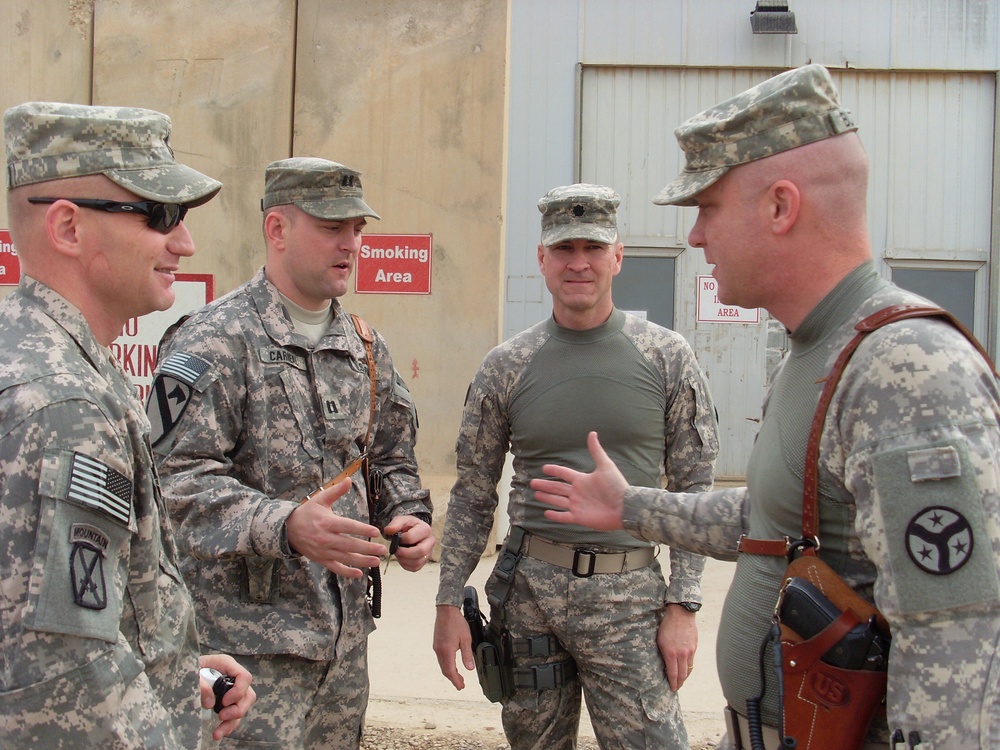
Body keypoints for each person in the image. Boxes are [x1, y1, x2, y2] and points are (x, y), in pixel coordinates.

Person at [530, 64, 1000, 750]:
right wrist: (633, 507)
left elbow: (959, 658)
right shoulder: (817, 352)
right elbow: (775, 518)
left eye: (708, 208)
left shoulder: (904, 368)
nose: (695, 237)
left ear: (781, 207)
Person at [147, 156, 435, 749]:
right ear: (277, 230)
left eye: (357, 229)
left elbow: (390, 457)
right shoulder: (213, 339)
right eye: (332, 227)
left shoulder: (362, 346)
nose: (351, 243)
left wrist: (409, 516)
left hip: (343, 647)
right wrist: (285, 525)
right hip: (247, 654)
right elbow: (169, 485)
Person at [0, 101, 256, 748]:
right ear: (67, 227)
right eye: (159, 214)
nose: (184, 242)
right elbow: (68, 684)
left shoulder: (45, 356)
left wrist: (175, 678)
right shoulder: (62, 405)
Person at [433, 183, 719, 749]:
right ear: (542, 259)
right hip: (528, 598)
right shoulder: (507, 365)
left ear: (618, 256)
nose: (579, 263)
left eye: (593, 247)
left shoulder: (666, 357)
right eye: (564, 249)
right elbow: (473, 492)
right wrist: (448, 599)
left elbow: (694, 488)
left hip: (630, 596)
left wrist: (683, 603)